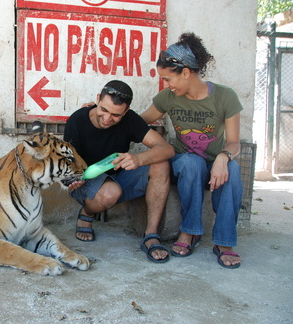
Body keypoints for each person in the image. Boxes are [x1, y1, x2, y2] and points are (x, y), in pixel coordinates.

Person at [141, 32, 244, 269]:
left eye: (168, 79)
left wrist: (223, 157)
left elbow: (235, 143)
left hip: (214, 164)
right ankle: (190, 231)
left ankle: (224, 242)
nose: (166, 85)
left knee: (234, 170)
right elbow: (139, 120)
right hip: (184, 163)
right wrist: (101, 111)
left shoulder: (225, 96)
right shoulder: (167, 98)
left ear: (186, 72)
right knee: (191, 162)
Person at [64, 80, 175, 263]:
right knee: (110, 193)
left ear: (126, 110)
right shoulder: (77, 120)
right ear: (98, 99)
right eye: (104, 110)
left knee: (161, 164)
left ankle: (151, 235)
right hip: (87, 179)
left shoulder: (130, 119)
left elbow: (167, 149)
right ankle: (87, 212)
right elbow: (69, 164)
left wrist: (139, 159)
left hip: (119, 175)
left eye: (116, 115)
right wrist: (73, 179)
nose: (107, 119)